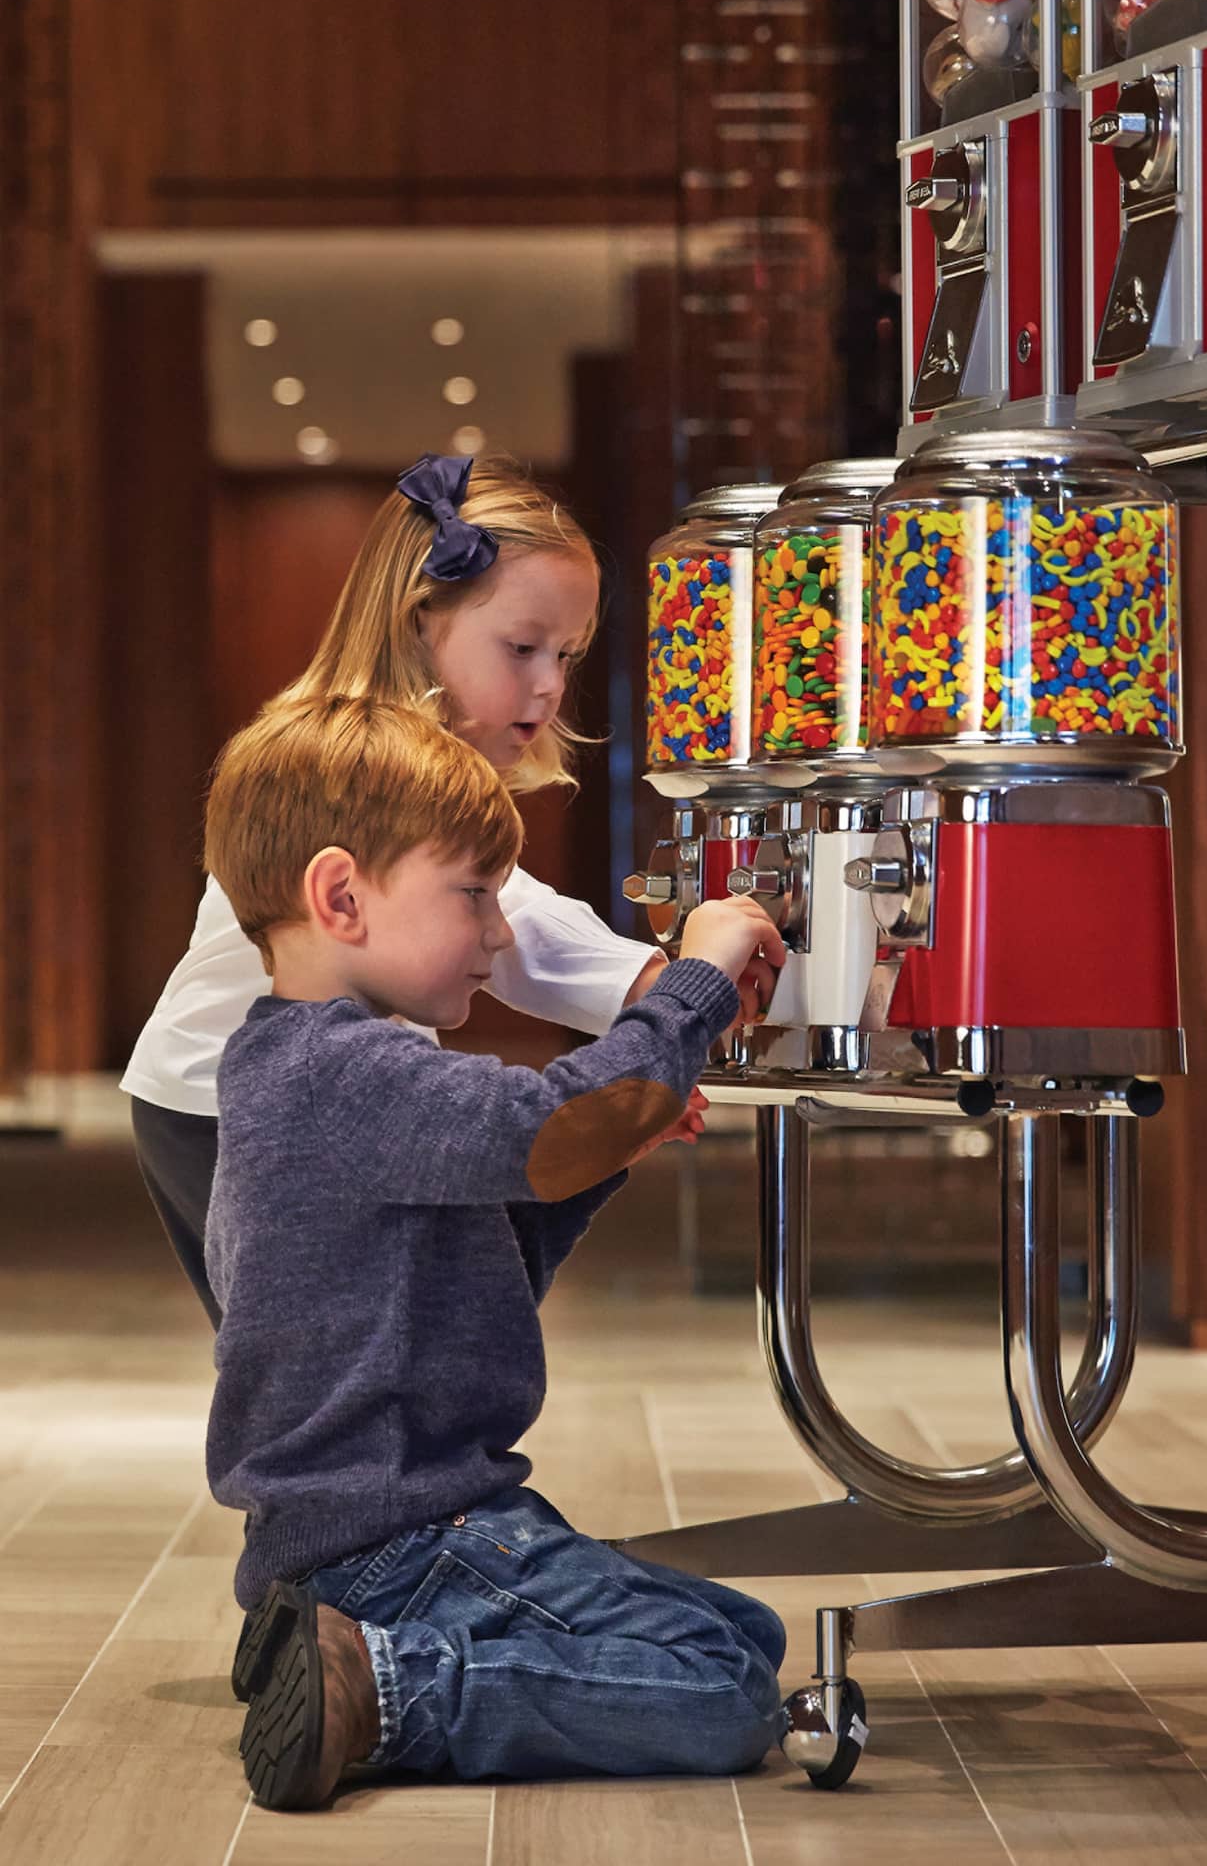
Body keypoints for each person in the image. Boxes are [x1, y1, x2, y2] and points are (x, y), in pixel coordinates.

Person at [204, 693, 788, 1810]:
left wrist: (612, 1146)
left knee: (740, 1631)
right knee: (722, 1687)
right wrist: (692, 983)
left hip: (355, 1537)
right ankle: (384, 1685)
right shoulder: (350, 1072)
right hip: (408, 1537)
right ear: (341, 896)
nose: (500, 935)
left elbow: (480, 1272)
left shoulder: (304, 1068)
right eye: (475, 894)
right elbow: (538, 1125)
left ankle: (320, 1642)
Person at [123, 452, 694, 1326]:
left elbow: (502, 911)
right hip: (216, 1099)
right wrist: (671, 988)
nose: (549, 683)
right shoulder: (352, 764)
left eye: (567, 654)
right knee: (336, 1358)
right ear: (421, 620)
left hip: (306, 1085)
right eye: (522, 646)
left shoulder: (407, 762)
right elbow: (523, 927)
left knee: (404, 1328)